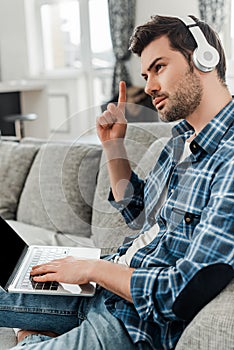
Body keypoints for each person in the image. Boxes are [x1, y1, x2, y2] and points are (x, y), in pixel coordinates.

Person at [0, 14, 233, 350]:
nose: (150, 85)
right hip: (104, 288)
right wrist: (113, 145)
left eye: (159, 67)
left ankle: (32, 335)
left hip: (133, 320)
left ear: (204, 59)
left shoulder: (229, 159)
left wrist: (91, 269)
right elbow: (138, 213)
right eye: (146, 74)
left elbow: (180, 292)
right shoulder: (180, 139)